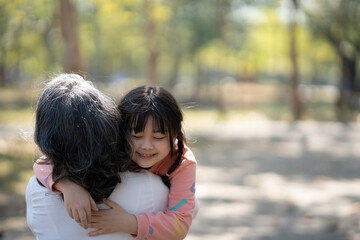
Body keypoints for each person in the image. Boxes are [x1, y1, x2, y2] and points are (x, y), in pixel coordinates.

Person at [36, 85, 198, 239]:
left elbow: (180, 225)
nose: (147, 146)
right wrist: (67, 185)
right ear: (120, 130)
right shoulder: (113, 143)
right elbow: (42, 163)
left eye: (158, 138)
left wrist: (129, 223)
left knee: (195, 205)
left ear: (175, 134)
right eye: (136, 136)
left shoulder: (182, 163)